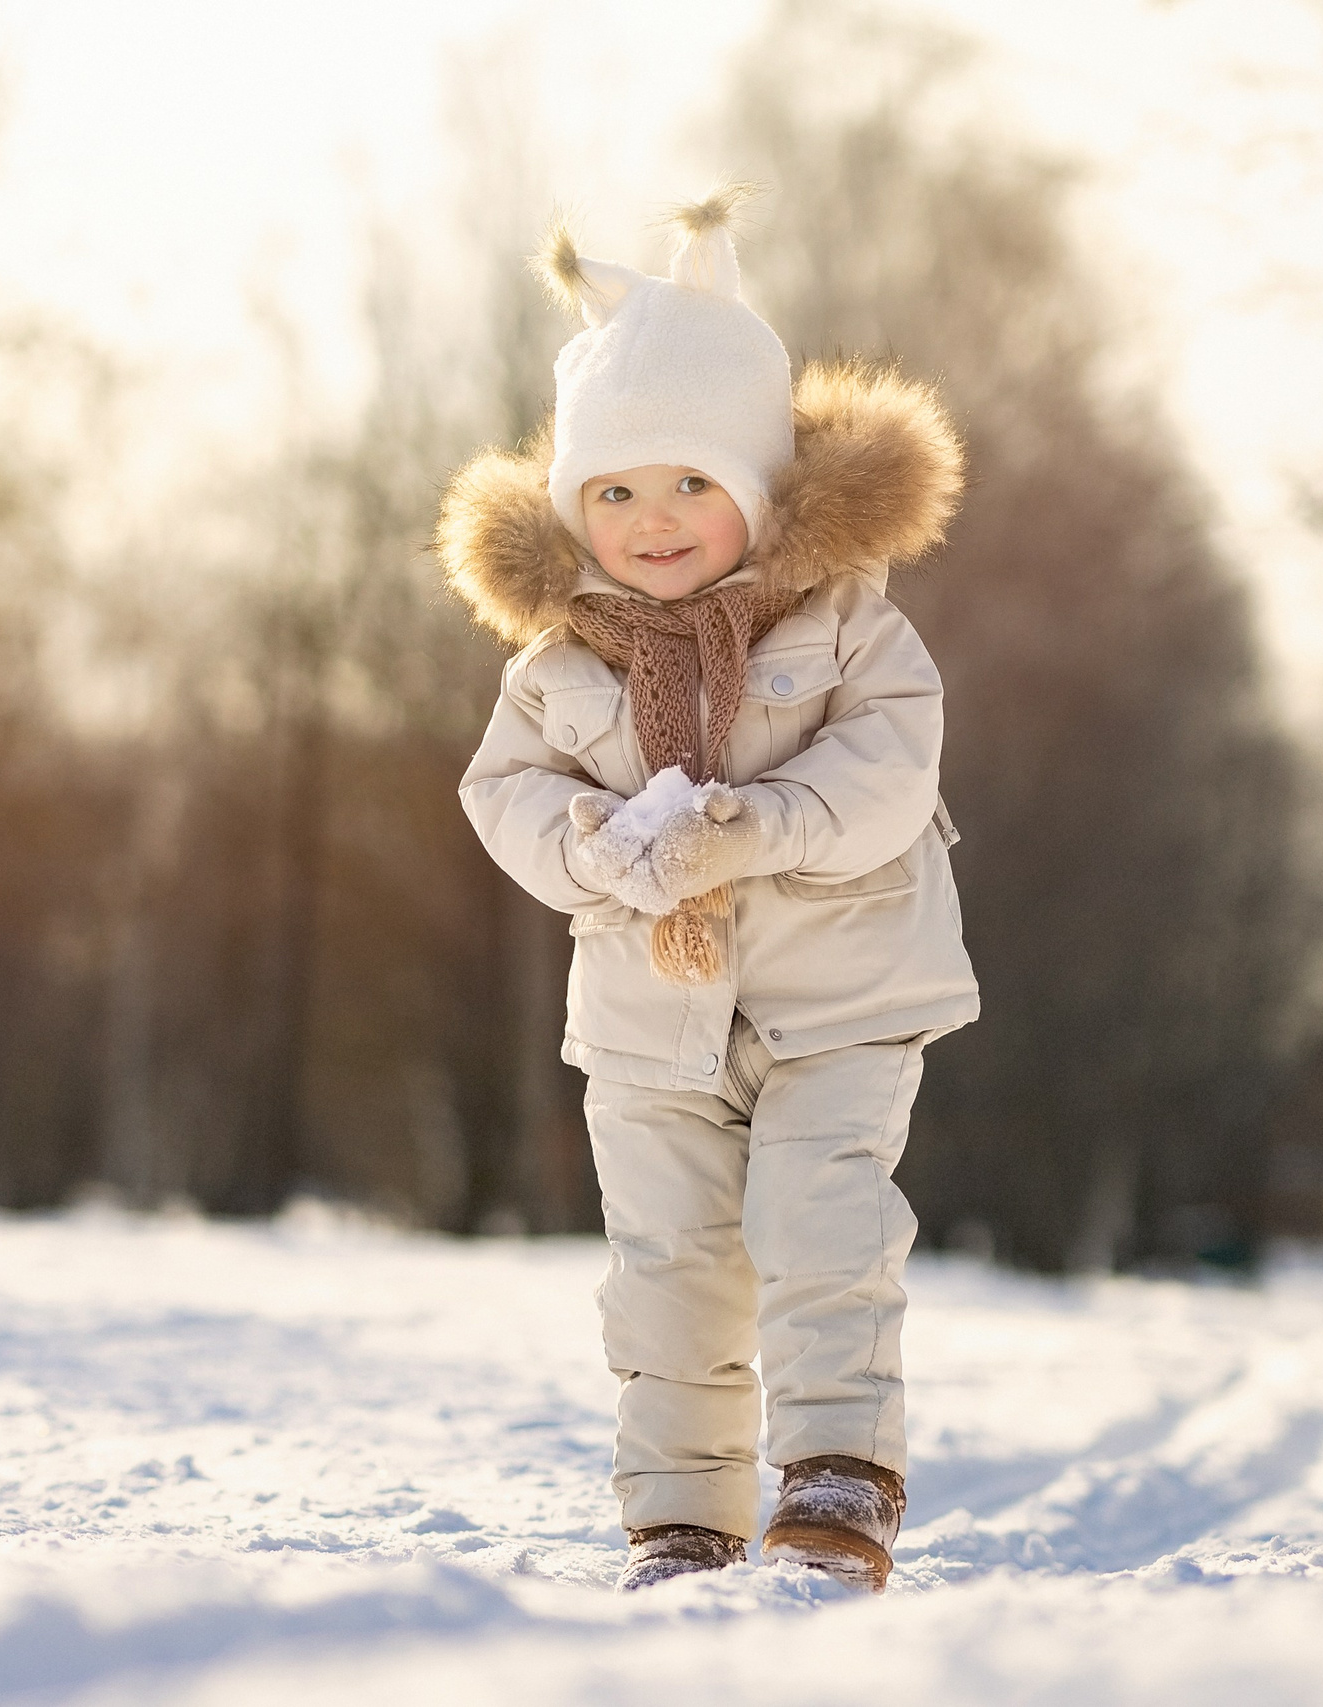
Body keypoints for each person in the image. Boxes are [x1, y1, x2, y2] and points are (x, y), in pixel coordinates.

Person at [439, 189, 977, 1593]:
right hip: (649, 1021)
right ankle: (681, 1511)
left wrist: (757, 827)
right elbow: (504, 793)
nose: (652, 520)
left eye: (689, 483)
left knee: (820, 1227)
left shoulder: (852, 626)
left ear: (756, 483)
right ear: (573, 508)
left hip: (837, 1000)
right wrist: (592, 847)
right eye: (612, 491)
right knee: (667, 1263)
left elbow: (887, 779)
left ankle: (837, 1471)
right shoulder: (559, 664)